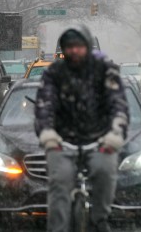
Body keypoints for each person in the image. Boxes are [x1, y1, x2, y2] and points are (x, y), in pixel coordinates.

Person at [35, 25, 129, 232]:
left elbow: (118, 104)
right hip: (62, 141)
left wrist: (115, 135)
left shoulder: (105, 69)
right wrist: (48, 134)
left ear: (87, 46)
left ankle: (99, 218)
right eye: (69, 47)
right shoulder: (54, 73)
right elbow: (45, 105)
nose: (74, 51)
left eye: (78, 46)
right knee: (59, 183)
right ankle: (58, 228)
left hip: (99, 139)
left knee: (105, 171)